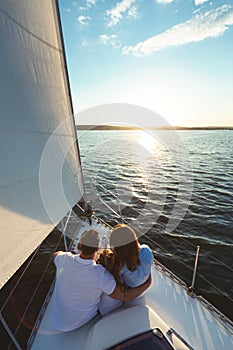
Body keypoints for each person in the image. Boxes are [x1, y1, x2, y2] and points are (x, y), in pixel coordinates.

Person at [51, 229, 151, 332]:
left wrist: (66, 255)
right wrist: (147, 284)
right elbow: (125, 296)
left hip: (56, 320)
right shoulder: (100, 274)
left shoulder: (64, 258)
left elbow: (55, 254)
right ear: (97, 249)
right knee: (110, 294)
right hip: (76, 323)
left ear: (80, 246)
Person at [98, 224, 153, 315]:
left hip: (131, 288)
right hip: (143, 284)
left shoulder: (121, 265)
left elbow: (121, 289)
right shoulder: (146, 250)